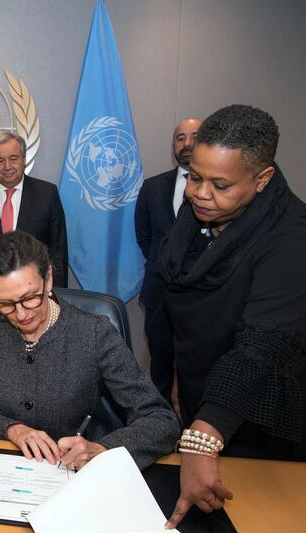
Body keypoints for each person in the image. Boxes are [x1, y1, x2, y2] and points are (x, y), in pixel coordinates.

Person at [158, 105, 306, 529]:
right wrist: (177, 379)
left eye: (220, 184)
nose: (200, 194)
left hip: (253, 418)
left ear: (262, 180)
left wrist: (203, 438)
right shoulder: (200, 216)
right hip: (199, 404)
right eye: (194, 177)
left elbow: (261, 348)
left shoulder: (293, 238)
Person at [0, 230, 178, 470]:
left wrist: (101, 450)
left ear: (48, 279)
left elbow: (161, 421)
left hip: (76, 471)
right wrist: (12, 429)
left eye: (30, 298)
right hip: (4, 467)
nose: (21, 314)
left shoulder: (94, 333)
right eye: (6, 304)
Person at [0, 132, 68, 317]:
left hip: (35, 299)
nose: (7, 166)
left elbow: (59, 250)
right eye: (0, 160)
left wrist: (55, 296)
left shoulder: (47, 194)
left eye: (13, 158)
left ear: (24, 159)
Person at [135, 117, 202, 400]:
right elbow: (144, 237)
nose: (187, 144)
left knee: (198, 367)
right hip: (158, 292)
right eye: (180, 138)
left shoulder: (218, 189)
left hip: (201, 294)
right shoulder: (152, 187)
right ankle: (159, 425)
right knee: (160, 365)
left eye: (195, 137)